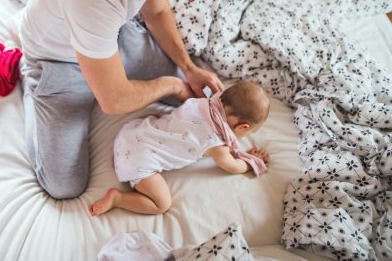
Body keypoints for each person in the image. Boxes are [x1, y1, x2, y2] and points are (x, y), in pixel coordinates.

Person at [18, 0, 251, 200]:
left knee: (188, 86)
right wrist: (172, 84)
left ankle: (136, 72)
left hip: (109, 34)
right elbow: (113, 102)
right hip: (55, 59)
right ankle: (31, 84)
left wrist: (190, 70)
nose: (192, 1)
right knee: (63, 185)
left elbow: (155, 12)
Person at [88, 82, 271, 216]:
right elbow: (232, 166)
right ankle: (118, 199)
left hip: (130, 133)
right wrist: (250, 162)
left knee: (158, 118)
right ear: (241, 127)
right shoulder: (217, 144)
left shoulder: (199, 103)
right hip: (137, 160)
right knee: (162, 204)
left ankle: (121, 157)